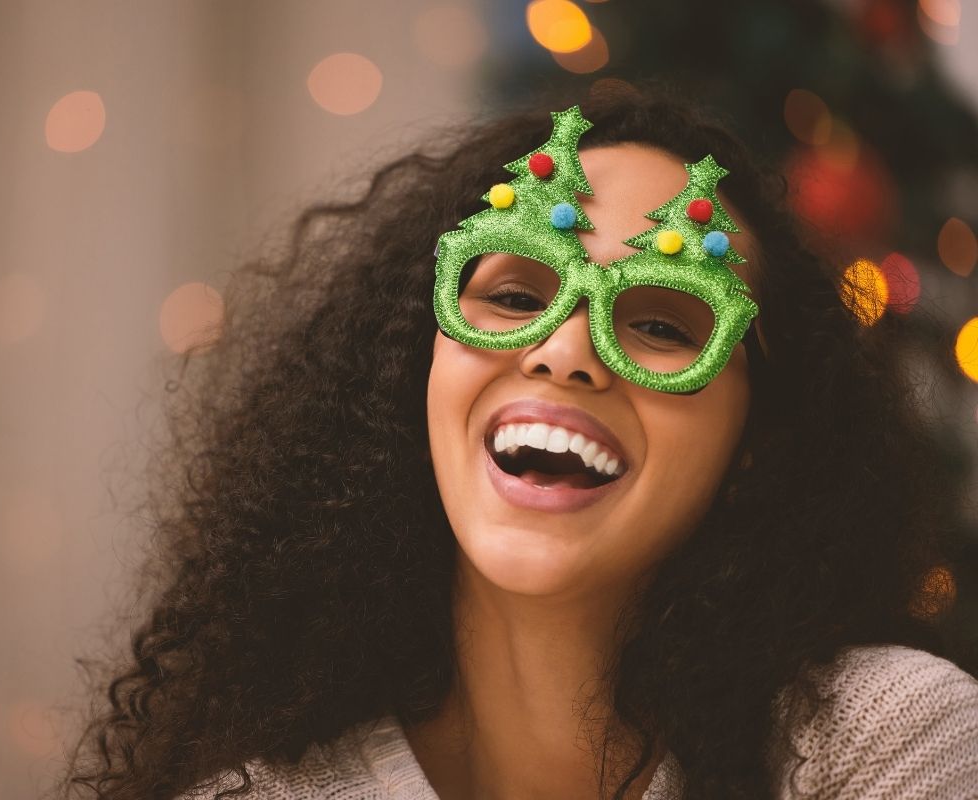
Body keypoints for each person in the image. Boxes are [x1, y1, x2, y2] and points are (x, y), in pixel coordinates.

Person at [61, 86, 978, 799]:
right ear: (410, 371)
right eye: (511, 296)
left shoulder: (887, 746)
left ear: (757, 443)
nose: (564, 350)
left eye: (661, 322)